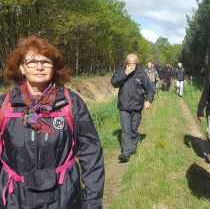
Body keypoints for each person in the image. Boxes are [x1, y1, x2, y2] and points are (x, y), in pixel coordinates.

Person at [0, 36, 104, 208]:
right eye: (32, 61)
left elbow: (90, 152)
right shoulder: (5, 105)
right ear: (21, 68)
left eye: (46, 62)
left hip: (64, 198)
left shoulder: (72, 103)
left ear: (54, 68)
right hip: (15, 199)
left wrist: (92, 202)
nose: (39, 66)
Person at [111, 54, 154, 162]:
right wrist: (125, 73)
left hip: (137, 106)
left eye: (134, 63)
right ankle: (125, 152)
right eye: (130, 63)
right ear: (126, 63)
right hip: (124, 106)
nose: (132, 66)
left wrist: (148, 100)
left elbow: (150, 88)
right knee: (125, 129)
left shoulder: (141, 73)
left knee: (133, 128)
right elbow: (114, 83)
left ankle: (133, 146)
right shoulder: (121, 70)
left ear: (137, 63)